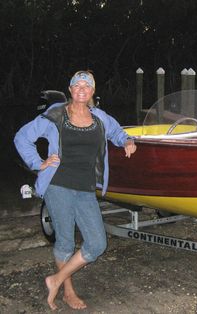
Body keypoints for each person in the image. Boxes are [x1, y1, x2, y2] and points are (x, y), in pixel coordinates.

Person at [14, 71, 136, 310]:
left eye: (87, 86)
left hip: (85, 188)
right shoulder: (56, 114)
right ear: (70, 90)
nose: (82, 89)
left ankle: (55, 280)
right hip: (58, 184)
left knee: (98, 243)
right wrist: (38, 163)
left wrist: (127, 141)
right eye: (77, 85)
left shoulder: (99, 117)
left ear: (92, 91)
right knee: (66, 243)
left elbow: (117, 132)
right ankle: (68, 291)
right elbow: (22, 137)